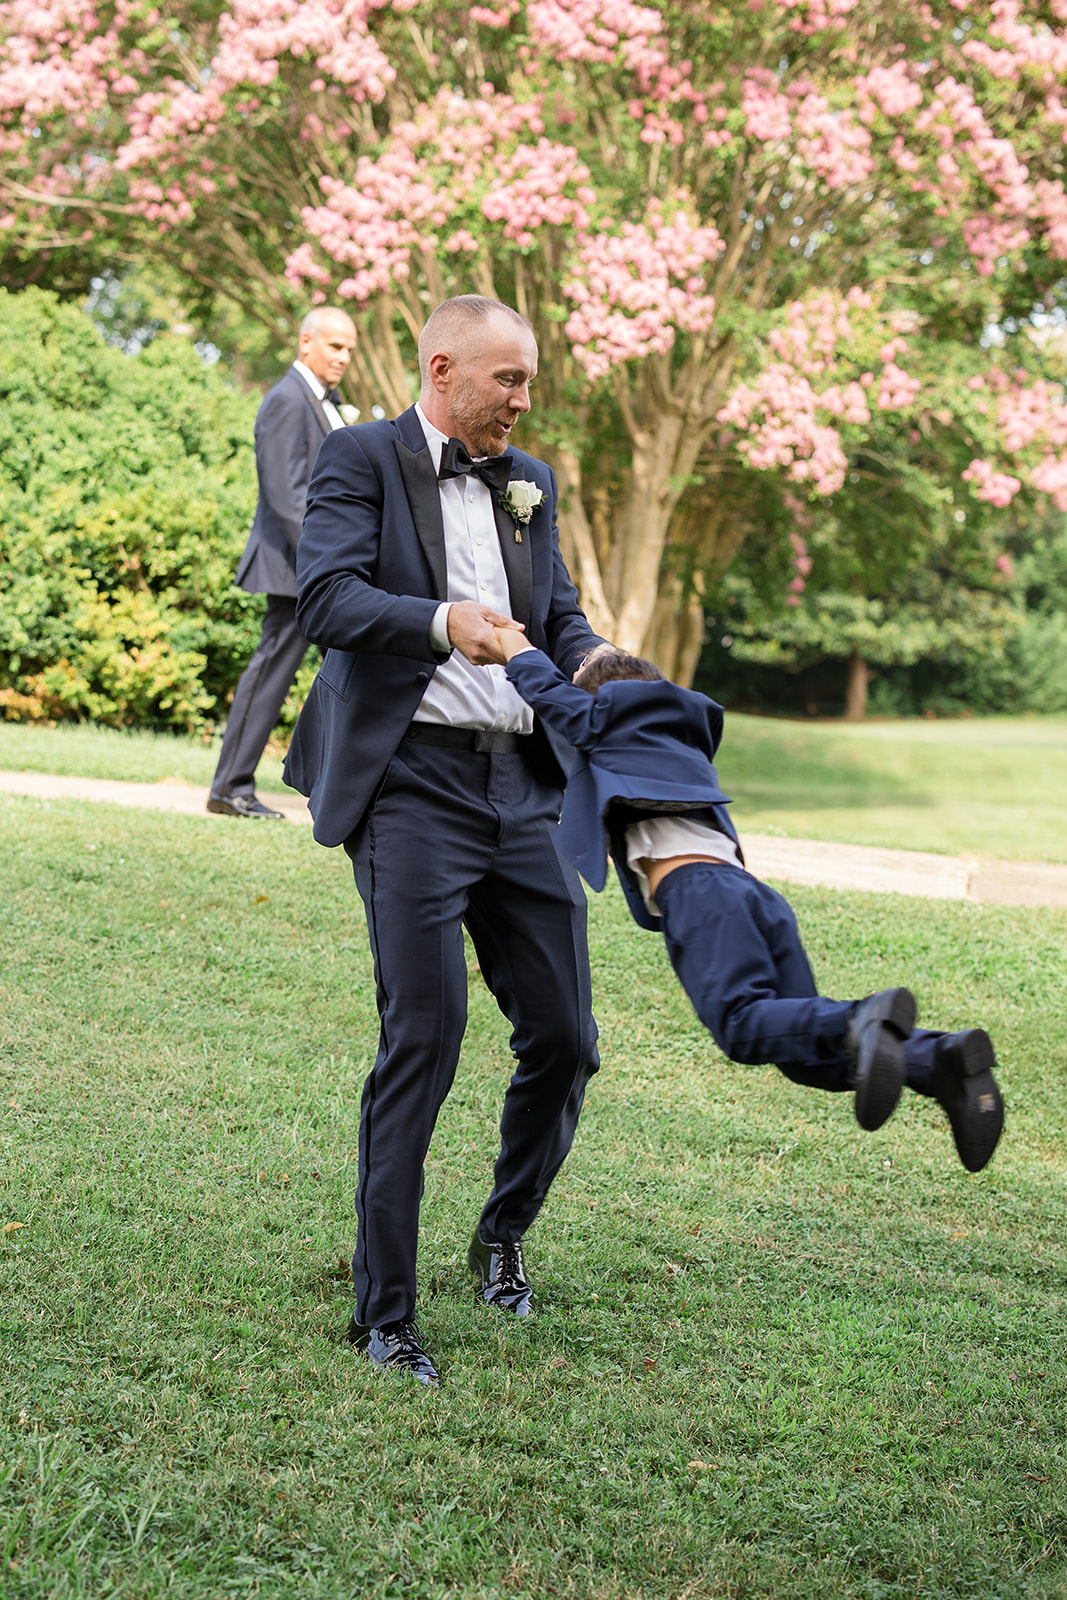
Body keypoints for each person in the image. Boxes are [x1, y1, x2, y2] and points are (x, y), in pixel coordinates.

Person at [283, 295, 605, 1386]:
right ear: (440, 368)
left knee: (566, 1036)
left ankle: (501, 1233)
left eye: (527, 379)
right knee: (425, 1038)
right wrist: (439, 621)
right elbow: (324, 596)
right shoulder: (361, 457)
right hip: (410, 786)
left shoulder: (532, 482)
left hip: (519, 788)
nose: (523, 398)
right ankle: (386, 1314)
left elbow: (552, 613)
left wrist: (600, 662)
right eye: (506, 379)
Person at [493, 634, 1006, 1173]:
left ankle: (865, 1016)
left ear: (601, 702)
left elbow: (552, 697)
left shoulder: (608, 723)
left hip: (700, 895)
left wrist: (514, 652)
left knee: (741, 1024)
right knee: (802, 1055)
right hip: (751, 895)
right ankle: (942, 1061)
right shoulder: (681, 738)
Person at [207, 308, 358, 819]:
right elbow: (284, 495)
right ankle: (230, 787)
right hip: (296, 568)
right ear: (305, 342)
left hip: (316, 567)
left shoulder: (322, 403)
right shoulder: (287, 400)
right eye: (335, 346)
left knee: (339, 671)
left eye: (349, 350)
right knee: (272, 670)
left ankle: (342, 785)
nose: (343, 358)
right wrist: (325, 560)